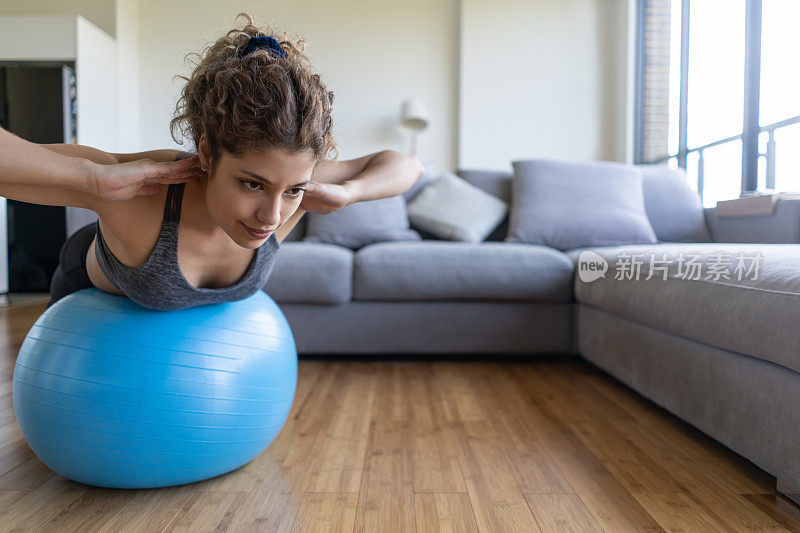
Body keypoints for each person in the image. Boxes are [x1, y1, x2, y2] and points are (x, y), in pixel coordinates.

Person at [2, 13, 423, 311]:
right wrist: (95, 180)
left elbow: (407, 165)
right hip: (86, 297)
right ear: (206, 154)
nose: (273, 215)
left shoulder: (301, 187)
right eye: (252, 184)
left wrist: (349, 192)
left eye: (292, 190)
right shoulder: (141, 191)